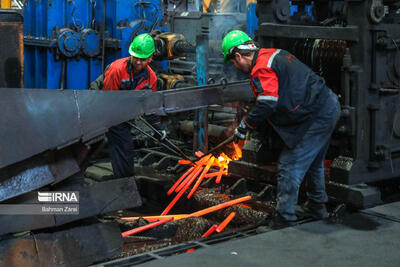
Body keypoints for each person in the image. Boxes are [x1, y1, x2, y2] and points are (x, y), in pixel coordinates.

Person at [221, 30, 340, 226]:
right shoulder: (271, 54)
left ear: (238, 56)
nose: (235, 67)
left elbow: (268, 103)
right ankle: (317, 206)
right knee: (314, 161)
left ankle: (284, 219)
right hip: (325, 106)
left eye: (233, 63)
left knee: (289, 164)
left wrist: (245, 125)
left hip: (317, 114)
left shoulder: (261, 67)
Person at [102, 33, 166, 178]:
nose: (138, 62)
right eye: (136, 57)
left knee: (123, 146)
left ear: (150, 58)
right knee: (122, 145)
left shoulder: (151, 78)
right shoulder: (117, 69)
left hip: (123, 113)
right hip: (105, 107)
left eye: (142, 59)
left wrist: (158, 128)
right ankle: (124, 182)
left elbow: (149, 107)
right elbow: (106, 100)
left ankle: (123, 181)